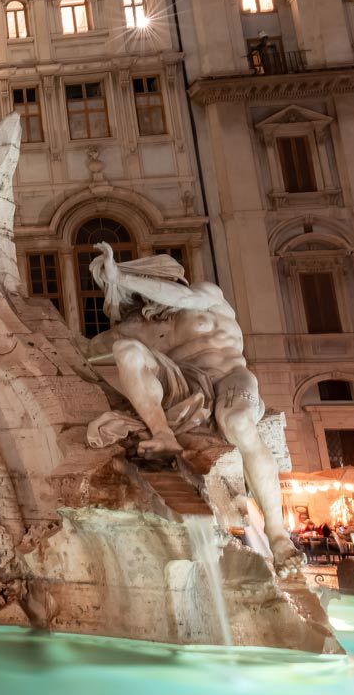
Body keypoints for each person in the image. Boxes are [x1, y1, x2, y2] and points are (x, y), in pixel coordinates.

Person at [87, 243, 302, 576]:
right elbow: (91, 352)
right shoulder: (142, 327)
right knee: (126, 350)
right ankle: (163, 434)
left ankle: (277, 535)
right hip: (184, 385)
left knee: (238, 422)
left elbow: (183, 298)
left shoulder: (205, 295)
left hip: (229, 378)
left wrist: (121, 277)